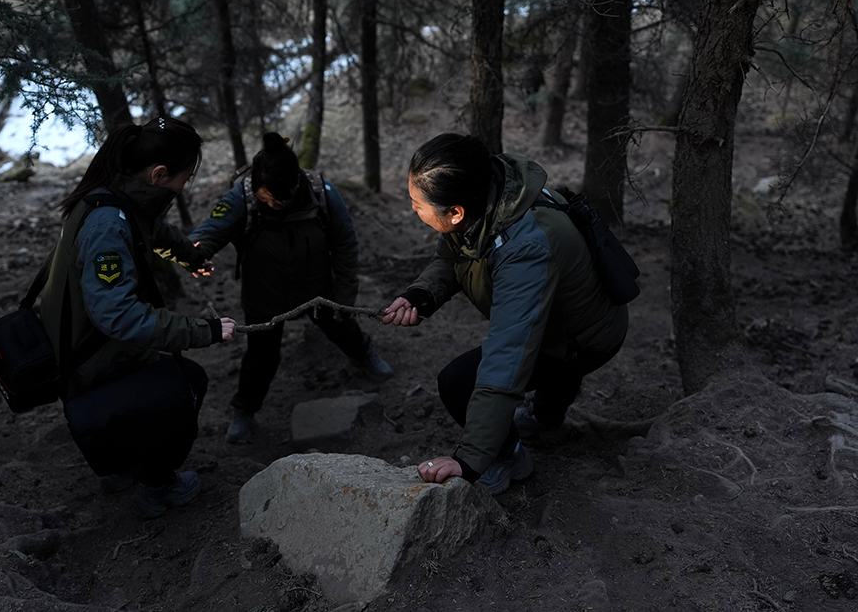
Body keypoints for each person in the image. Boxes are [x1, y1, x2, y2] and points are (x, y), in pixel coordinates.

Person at [383, 133, 628, 495]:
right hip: (574, 322)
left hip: (584, 338)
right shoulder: (488, 192)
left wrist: (471, 459)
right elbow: (453, 256)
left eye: (418, 205)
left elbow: (509, 355)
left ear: (454, 213)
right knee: (546, 353)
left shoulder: (523, 247)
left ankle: (510, 456)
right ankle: (547, 421)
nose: (414, 211)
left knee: (457, 382)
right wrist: (421, 295)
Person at [39, 117, 237, 519]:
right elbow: (121, 317)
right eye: (186, 175)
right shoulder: (107, 224)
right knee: (188, 381)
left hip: (78, 340)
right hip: (87, 355)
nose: (186, 184)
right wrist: (202, 331)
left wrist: (191, 255)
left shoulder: (117, 196)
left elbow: (153, 231)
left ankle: (119, 466)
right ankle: (157, 484)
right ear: (159, 174)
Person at [191, 132, 393, 443]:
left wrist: (344, 296)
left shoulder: (322, 193)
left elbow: (345, 246)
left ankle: (364, 355)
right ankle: (244, 410)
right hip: (264, 294)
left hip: (317, 288)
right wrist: (191, 254)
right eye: (264, 198)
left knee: (342, 326)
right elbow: (209, 233)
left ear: (296, 186)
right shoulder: (240, 198)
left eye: (277, 200)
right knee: (261, 355)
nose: (271, 203)